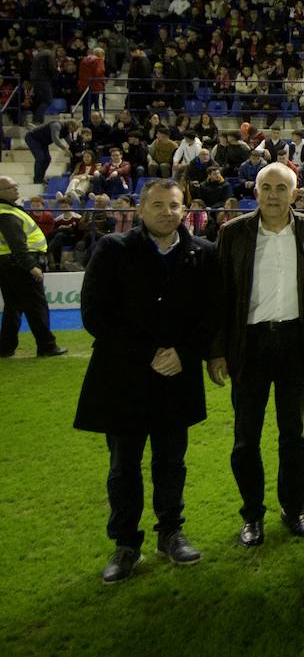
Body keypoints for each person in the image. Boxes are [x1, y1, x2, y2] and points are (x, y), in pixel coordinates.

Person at [74, 180, 222, 584]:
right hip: (123, 379)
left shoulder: (204, 254)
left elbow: (211, 315)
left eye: (174, 205)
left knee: (171, 462)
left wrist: (184, 353)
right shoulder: (113, 249)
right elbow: (94, 315)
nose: (166, 212)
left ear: (184, 209)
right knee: (123, 467)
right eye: (157, 205)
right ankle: (125, 543)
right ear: (141, 209)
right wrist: (149, 353)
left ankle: (171, 533)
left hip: (177, 378)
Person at [214, 162, 304, 548]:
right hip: (250, 346)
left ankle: (294, 510)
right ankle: (252, 515)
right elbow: (221, 298)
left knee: (293, 434)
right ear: (256, 191)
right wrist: (217, 352)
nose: (274, 195)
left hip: (296, 344)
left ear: (296, 194)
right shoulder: (233, 234)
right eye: (267, 187)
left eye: (282, 188)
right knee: (246, 437)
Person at [0, 176, 66, 358]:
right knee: (36, 306)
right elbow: (17, 244)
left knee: (13, 307)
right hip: (19, 263)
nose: (16, 189)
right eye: (12, 187)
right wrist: (31, 266)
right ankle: (47, 345)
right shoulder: (7, 213)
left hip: (7, 263)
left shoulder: (6, 210)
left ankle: (5, 347)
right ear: (2, 192)